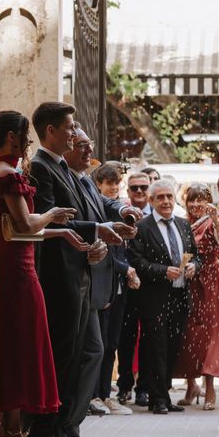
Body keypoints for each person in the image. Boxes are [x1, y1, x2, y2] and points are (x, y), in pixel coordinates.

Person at [28, 102, 124, 437]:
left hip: (79, 273)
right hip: (59, 277)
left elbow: (89, 207)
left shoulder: (63, 166)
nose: (74, 132)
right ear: (50, 130)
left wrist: (97, 234)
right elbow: (46, 225)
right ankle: (44, 435)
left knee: (73, 356)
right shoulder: (40, 168)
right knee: (60, 356)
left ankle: (62, 431)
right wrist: (94, 230)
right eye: (69, 127)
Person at [0, 110, 90, 437]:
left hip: (14, 262)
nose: (27, 146)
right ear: (11, 138)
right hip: (17, 273)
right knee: (21, 348)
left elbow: (19, 230)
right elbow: (24, 221)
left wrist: (59, 231)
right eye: (25, 138)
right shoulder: (7, 174)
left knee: (15, 346)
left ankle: (12, 431)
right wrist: (52, 215)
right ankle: (10, 432)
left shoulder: (8, 173)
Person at [65, 126, 139, 420]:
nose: (89, 151)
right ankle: (59, 427)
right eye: (82, 144)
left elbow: (104, 203)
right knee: (80, 354)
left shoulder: (81, 178)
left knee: (95, 350)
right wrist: (97, 232)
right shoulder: (51, 170)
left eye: (90, 144)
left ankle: (70, 427)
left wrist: (122, 212)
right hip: (71, 278)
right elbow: (60, 220)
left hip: (94, 283)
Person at [127, 179, 201, 414]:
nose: (166, 201)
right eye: (160, 197)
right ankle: (157, 398)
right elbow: (137, 261)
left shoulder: (183, 224)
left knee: (172, 347)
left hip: (180, 295)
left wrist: (194, 267)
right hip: (155, 297)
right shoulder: (143, 226)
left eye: (169, 196)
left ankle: (164, 394)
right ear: (151, 201)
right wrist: (162, 271)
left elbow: (196, 255)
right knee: (157, 347)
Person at [173, 183, 219, 410]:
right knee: (188, 332)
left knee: (210, 332)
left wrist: (216, 221)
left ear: (208, 200)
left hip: (210, 281)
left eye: (201, 199)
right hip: (188, 280)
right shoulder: (182, 223)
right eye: (192, 200)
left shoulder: (212, 221)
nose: (196, 204)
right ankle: (190, 384)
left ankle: (210, 387)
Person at [90, 163, 140, 415]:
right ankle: (94, 395)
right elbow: (106, 250)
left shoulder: (120, 208)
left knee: (112, 343)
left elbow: (124, 249)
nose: (113, 187)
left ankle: (104, 394)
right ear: (98, 184)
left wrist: (129, 270)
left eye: (116, 182)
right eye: (108, 183)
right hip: (105, 283)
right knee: (98, 343)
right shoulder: (98, 208)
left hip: (120, 286)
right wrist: (125, 269)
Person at [116, 172, 152, 407]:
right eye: (134, 188)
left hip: (150, 285)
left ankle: (144, 388)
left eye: (143, 188)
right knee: (125, 338)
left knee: (148, 337)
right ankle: (124, 385)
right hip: (125, 284)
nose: (139, 192)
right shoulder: (121, 213)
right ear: (128, 191)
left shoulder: (156, 216)